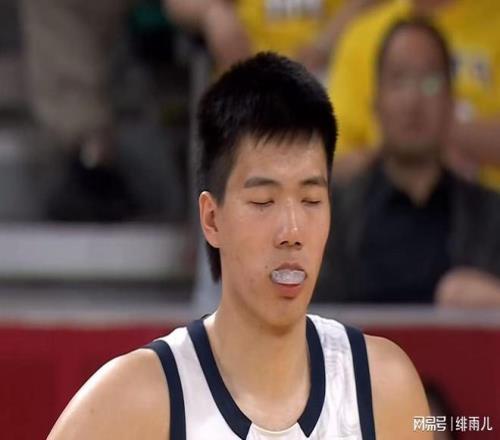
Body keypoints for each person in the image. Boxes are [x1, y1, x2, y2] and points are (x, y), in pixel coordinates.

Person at [47, 53, 431, 439]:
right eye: (264, 201)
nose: (292, 230)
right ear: (212, 219)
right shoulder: (132, 402)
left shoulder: (384, 388)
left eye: (311, 200)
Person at [316, 19, 500, 306]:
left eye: (430, 82)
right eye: (398, 80)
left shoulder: (490, 218)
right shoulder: (331, 221)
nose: (413, 100)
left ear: (451, 102)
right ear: (376, 103)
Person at [327, 0, 500, 189]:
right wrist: (405, 152)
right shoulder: (362, 35)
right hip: (379, 203)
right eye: (398, 79)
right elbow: (330, 167)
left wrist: (440, 134)